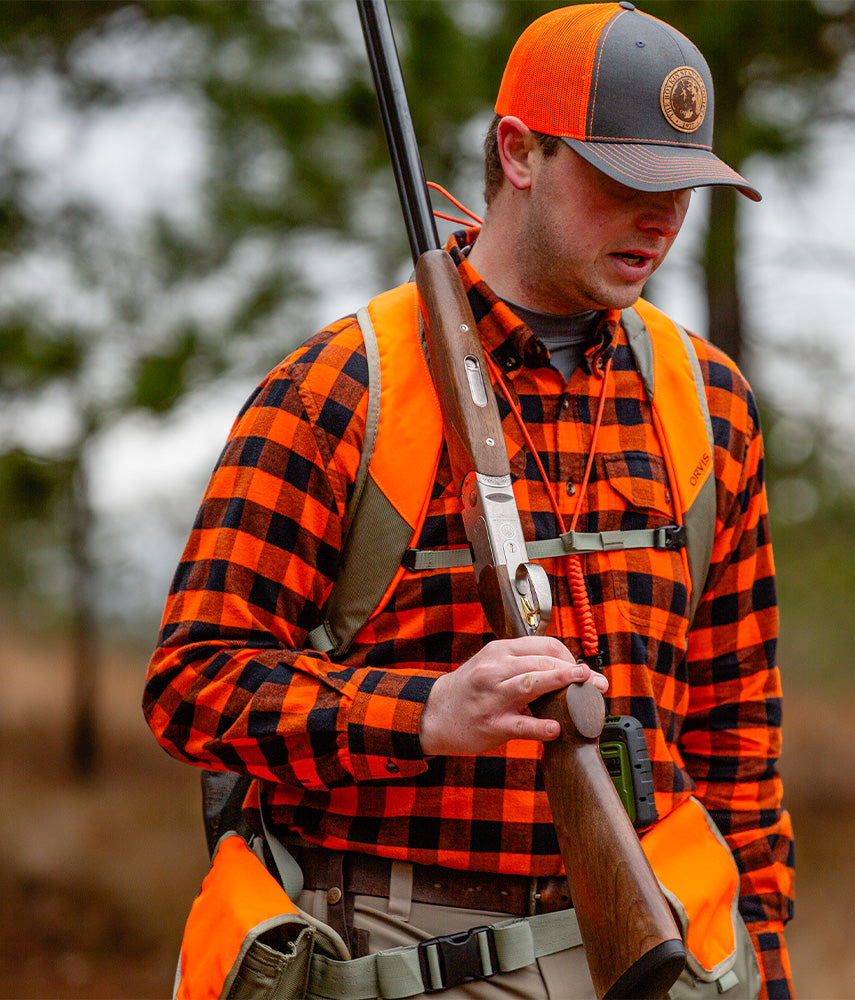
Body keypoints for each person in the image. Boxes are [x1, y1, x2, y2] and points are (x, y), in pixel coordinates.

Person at [144, 3, 794, 998]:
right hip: (399, 951)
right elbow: (194, 683)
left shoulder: (707, 402)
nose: (662, 218)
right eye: (625, 181)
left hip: (656, 953)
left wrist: (770, 968)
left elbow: (737, 739)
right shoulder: (341, 390)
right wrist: (426, 711)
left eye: (682, 188)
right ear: (520, 152)